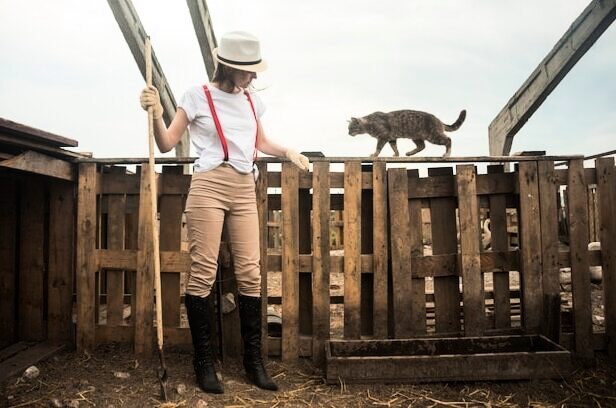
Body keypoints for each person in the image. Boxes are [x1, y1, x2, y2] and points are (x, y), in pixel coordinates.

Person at [140, 31, 309, 394]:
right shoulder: (196, 95)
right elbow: (167, 144)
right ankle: (203, 363)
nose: (253, 78)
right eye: (248, 71)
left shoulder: (251, 102)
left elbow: (260, 142)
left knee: (251, 272)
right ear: (229, 67)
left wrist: (288, 151)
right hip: (209, 186)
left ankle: (254, 363)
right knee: (203, 271)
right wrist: (155, 114)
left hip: (245, 187)